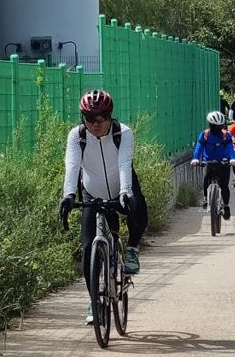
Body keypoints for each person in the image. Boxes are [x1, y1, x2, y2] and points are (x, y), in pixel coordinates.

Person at [58, 89, 148, 324]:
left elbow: (123, 164)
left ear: (110, 116)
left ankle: (131, 250)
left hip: (122, 186)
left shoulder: (123, 133)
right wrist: (68, 195)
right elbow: (72, 166)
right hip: (91, 191)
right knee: (88, 250)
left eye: (101, 118)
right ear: (82, 118)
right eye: (89, 119)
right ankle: (94, 301)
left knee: (140, 214)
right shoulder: (77, 136)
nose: (95, 124)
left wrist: (126, 193)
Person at [191, 111, 235, 219]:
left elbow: (230, 148)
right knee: (206, 178)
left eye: (220, 126)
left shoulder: (226, 135)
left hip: (224, 162)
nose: (218, 129)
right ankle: (206, 198)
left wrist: (233, 159)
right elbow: (199, 148)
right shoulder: (205, 135)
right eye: (215, 126)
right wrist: (195, 159)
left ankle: (226, 205)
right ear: (210, 125)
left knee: (224, 185)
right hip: (209, 162)